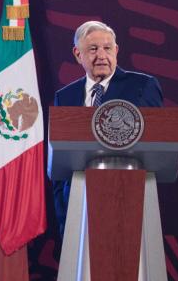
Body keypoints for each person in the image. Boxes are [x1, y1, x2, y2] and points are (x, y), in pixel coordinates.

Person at [52, 20, 163, 236]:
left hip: (127, 198)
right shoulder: (64, 96)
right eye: (93, 49)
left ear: (116, 51)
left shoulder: (142, 86)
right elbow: (59, 163)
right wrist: (63, 212)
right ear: (78, 54)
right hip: (76, 204)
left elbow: (156, 143)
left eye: (107, 48)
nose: (101, 55)